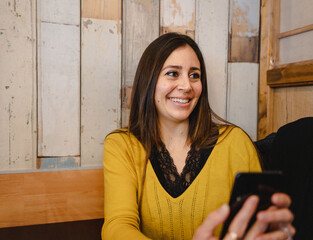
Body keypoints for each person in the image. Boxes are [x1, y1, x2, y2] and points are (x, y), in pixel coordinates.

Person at [102, 32, 294, 240]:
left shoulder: (235, 141)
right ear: (148, 80)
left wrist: (271, 228)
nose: (186, 86)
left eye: (194, 75)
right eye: (173, 73)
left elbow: (256, 223)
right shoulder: (121, 145)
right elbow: (117, 226)